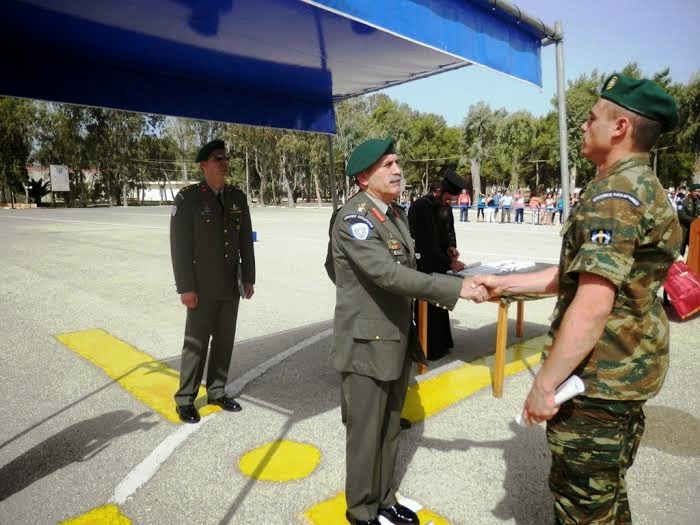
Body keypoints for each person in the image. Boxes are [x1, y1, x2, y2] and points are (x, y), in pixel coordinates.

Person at [473, 74, 681, 524]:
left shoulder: (613, 197)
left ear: (620, 128)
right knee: (606, 495)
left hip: (598, 381)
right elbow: (576, 277)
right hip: (626, 373)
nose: (584, 127)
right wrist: (504, 284)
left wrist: (544, 385)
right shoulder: (641, 185)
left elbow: (592, 304)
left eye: (591, 119)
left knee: (582, 506)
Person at [328, 137, 488, 525]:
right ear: (364, 177)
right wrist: (456, 288)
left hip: (396, 338)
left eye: (397, 162)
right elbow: (387, 274)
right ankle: (361, 512)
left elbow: (397, 270)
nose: (397, 169)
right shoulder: (354, 219)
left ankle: (385, 500)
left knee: (389, 427)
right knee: (366, 435)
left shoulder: (395, 214)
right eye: (387, 165)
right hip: (367, 343)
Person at [170, 139, 255, 424]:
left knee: (224, 341)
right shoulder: (189, 199)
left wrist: (250, 279)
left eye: (225, 158)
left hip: (230, 284)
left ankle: (217, 390)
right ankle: (185, 400)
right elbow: (179, 247)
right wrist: (186, 287)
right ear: (203, 165)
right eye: (218, 158)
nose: (224, 162)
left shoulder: (236, 197)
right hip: (201, 287)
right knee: (195, 343)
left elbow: (245, 240)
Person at [408, 171, 467, 360]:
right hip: (424, 264)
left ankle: (442, 344)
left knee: (440, 306)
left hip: (441, 263)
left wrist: (451, 248)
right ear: (439, 191)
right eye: (448, 200)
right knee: (427, 308)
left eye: (452, 202)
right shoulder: (421, 207)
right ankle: (427, 348)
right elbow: (425, 243)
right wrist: (449, 261)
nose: (449, 205)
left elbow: (448, 232)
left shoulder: (445, 207)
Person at [678, 183, 700, 256]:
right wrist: (696, 220)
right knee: (681, 248)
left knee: (694, 250)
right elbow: (682, 216)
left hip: (695, 229)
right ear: (690, 191)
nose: (697, 193)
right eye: (695, 191)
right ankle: (679, 265)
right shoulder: (681, 202)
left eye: (699, 191)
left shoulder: (698, 202)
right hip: (684, 228)